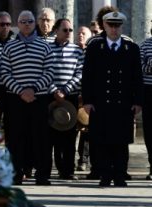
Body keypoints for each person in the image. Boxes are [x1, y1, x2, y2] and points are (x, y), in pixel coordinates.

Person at [82, 12, 143, 187]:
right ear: (104, 26)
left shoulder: (131, 48)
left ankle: (120, 174)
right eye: (111, 25)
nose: (114, 29)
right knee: (102, 141)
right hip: (101, 103)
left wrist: (138, 101)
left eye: (117, 25)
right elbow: (87, 76)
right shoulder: (95, 47)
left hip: (123, 103)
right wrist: (87, 100)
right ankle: (105, 174)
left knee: (121, 142)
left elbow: (136, 77)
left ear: (121, 27)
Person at [1, 10, 54, 185]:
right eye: (23, 22)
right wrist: (21, 91)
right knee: (15, 138)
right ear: (18, 23)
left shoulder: (44, 46)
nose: (26, 24)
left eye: (30, 21)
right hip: (16, 99)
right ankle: (16, 173)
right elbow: (4, 72)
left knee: (41, 138)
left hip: (39, 98)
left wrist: (33, 89)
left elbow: (49, 71)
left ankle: (42, 174)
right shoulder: (9, 46)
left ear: (34, 23)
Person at [48, 18, 84, 180]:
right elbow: (44, 72)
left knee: (70, 135)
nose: (68, 33)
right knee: (53, 134)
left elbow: (80, 73)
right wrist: (55, 91)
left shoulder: (77, 50)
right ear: (56, 30)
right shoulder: (47, 49)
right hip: (51, 96)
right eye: (65, 30)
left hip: (70, 96)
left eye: (70, 30)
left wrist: (66, 90)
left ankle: (68, 170)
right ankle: (56, 167)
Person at [75, 25, 92, 172]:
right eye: (79, 33)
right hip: (72, 95)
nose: (80, 35)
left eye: (84, 34)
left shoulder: (91, 53)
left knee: (86, 129)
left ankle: (84, 159)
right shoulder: (72, 51)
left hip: (86, 96)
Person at [139, 20, 152, 181]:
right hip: (149, 92)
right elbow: (139, 68)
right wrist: (150, 66)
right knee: (150, 131)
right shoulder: (144, 45)